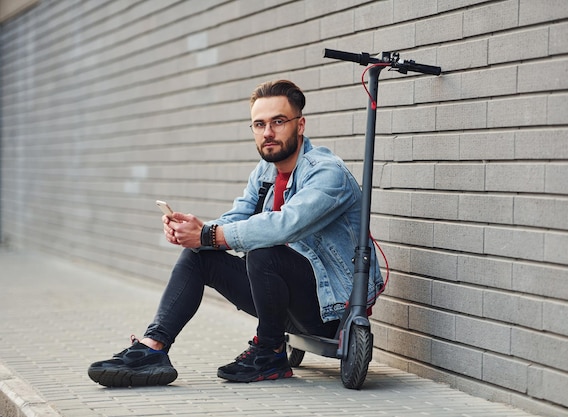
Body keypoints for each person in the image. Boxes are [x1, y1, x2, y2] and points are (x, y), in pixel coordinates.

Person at [87, 79, 384, 387]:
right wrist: (194, 230)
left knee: (263, 249)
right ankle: (153, 350)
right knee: (199, 255)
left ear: (300, 125)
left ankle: (269, 352)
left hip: (329, 310)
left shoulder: (327, 172)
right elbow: (237, 217)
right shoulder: (266, 171)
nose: (268, 132)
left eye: (278, 122)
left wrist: (207, 234)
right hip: (284, 297)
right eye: (259, 124)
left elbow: (286, 225)